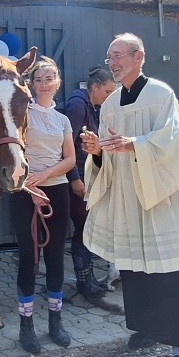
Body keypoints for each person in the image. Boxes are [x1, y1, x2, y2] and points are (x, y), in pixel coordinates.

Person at [82, 33, 179, 357]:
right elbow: (109, 155)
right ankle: (150, 327)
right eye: (110, 56)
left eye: (119, 55)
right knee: (136, 270)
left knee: (171, 270)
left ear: (139, 56)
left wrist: (136, 145)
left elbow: (173, 145)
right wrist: (97, 151)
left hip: (161, 199)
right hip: (129, 198)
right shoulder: (109, 106)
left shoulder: (160, 95)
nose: (112, 62)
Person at [12, 57, 77, 353]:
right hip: (25, 192)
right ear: (32, 84)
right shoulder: (23, 114)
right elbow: (14, 152)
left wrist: (46, 177)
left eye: (49, 78)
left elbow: (70, 160)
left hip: (57, 191)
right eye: (39, 78)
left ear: (58, 82)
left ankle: (55, 320)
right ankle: (26, 326)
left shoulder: (63, 120)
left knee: (54, 256)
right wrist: (30, 184)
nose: (44, 83)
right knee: (29, 257)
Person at [62, 65, 116, 307]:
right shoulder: (77, 105)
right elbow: (66, 144)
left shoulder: (91, 106)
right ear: (94, 88)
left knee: (87, 228)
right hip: (77, 180)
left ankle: (88, 280)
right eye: (107, 91)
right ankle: (85, 283)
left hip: (87, 176)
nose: (109, 96)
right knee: (84, 228)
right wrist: (74, 178)